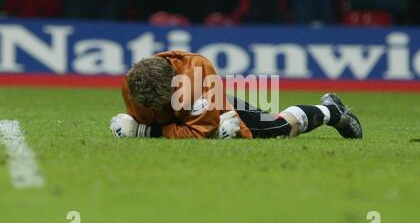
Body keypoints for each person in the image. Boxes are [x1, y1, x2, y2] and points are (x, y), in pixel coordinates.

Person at [110, 50, 363, 140]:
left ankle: (331, 111)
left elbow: (200, 131)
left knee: (281, 127)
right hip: (198, 117)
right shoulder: (132, 84)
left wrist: (142, 132)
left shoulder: (198, 70)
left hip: (220, 110)